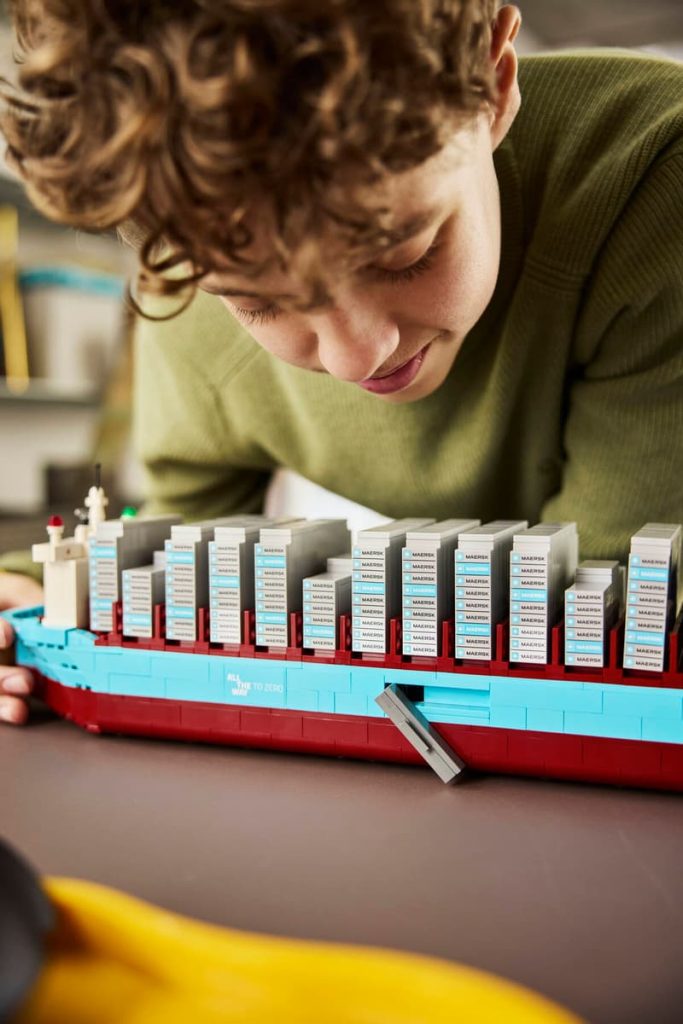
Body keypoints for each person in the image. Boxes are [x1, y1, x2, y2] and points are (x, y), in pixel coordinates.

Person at [1, 0, 682, 725]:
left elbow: (614, 609)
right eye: (259, 302)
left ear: (494, 83)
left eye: (407, 253)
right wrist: (24, 599)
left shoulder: (651, 186)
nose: (358, 355)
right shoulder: (187, 287)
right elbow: (179, 548)